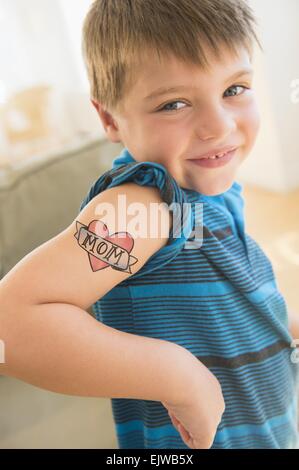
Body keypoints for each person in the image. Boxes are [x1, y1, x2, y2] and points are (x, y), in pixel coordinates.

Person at [0, 0, 298, 449]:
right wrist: (178, 377)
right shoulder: (146, 204)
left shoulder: (214, 190)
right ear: (109, 119)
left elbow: (236, 289)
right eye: (173, 103)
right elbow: (8, 327)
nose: (218, 127)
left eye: (234, 89)